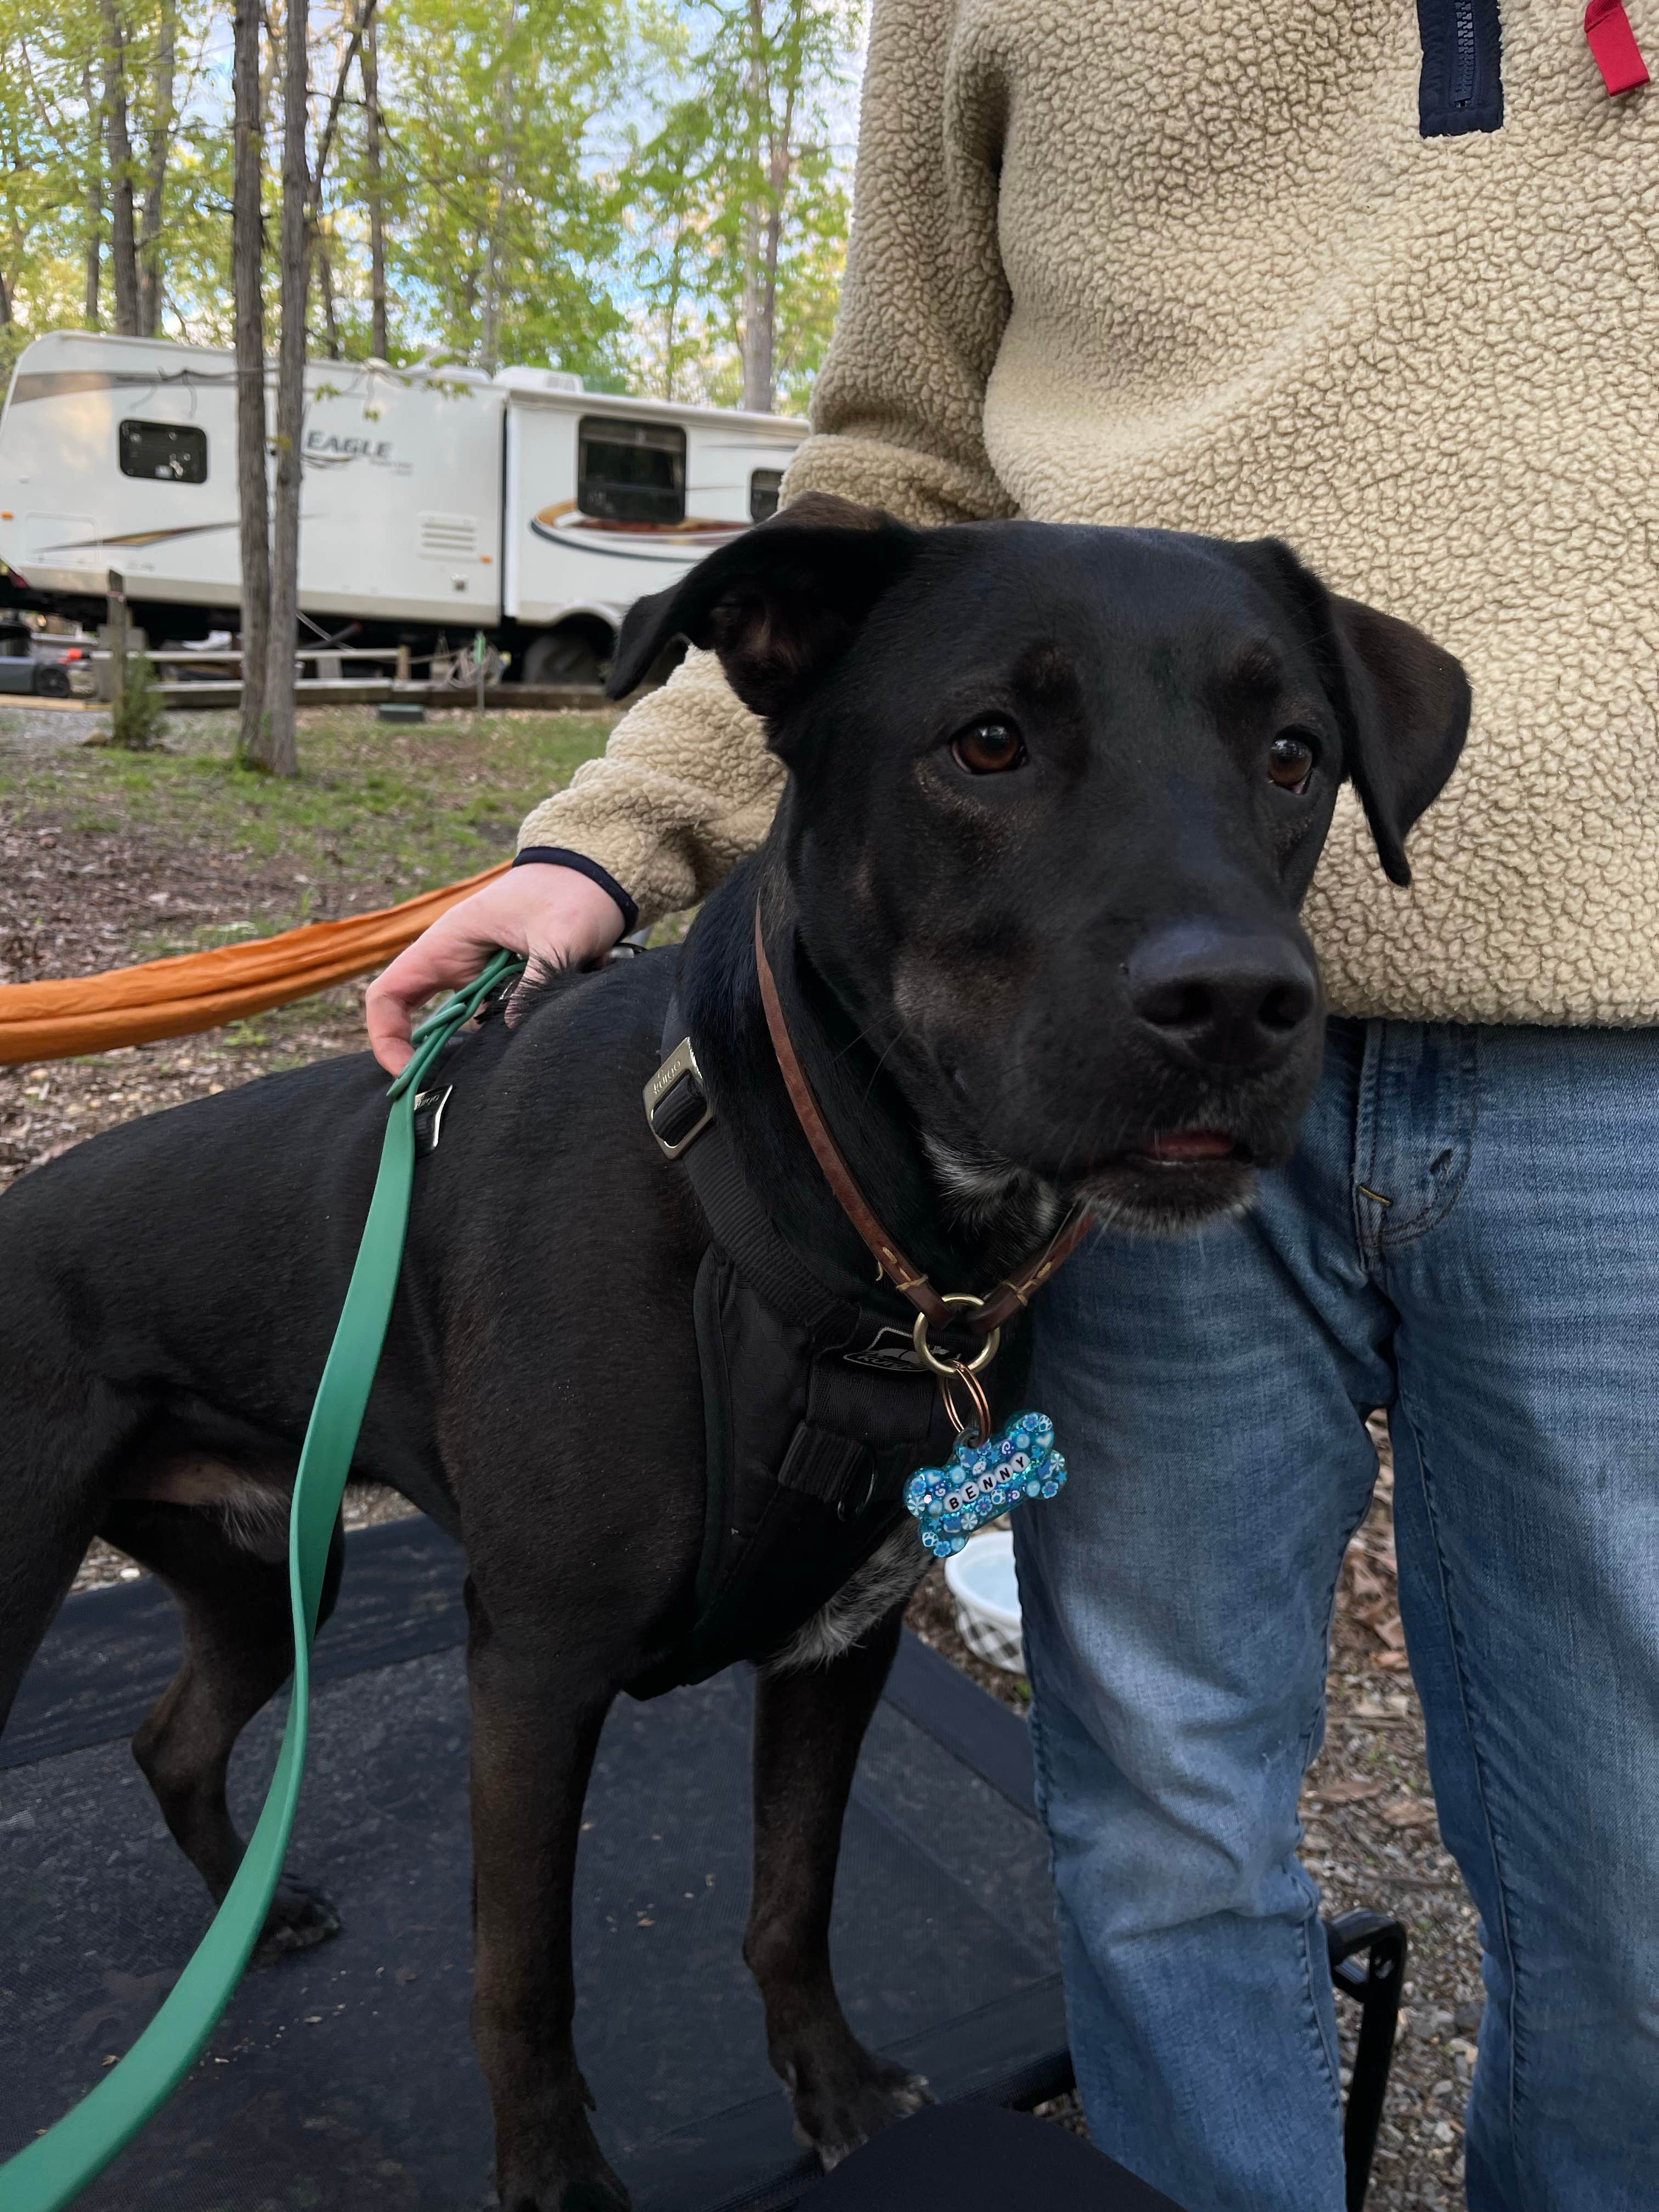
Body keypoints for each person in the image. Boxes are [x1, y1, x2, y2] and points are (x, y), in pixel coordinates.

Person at [368, 3, 1659, 2204]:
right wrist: (616, 833)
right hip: (1070, 1101)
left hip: (1619, 1054)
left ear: (1339, 774)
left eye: (1300, 764)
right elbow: (892, 475)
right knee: (1159, 1822)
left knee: (1632, 1872)